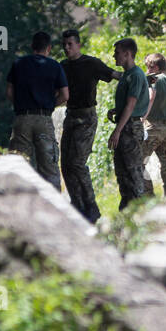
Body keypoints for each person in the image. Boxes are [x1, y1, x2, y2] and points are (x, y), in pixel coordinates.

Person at [60, 29, 120, 223]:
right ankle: (77, 206)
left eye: (70, 44)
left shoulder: (91, 63)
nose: (67, 48)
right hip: (71, 116)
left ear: (78, 44)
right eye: (64, 45)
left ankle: (91, 208)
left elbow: (114, 74)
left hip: (86, 117)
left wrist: (138, 78)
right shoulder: (62, 66)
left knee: (77, 163)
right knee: (66, 165)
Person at [6, 31, 69, 188]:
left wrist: (21, 104)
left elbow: (8, 91)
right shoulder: (55, 66)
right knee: (49, 167)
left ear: (32, 46)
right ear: (48, 48)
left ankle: (18, 203)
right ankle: (53, 205)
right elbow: (65, 95)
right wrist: (49, 105)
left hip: (22, 118)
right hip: (44, 119)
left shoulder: (18, 64)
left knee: (19, 164)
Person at [108, 37, 150, 211]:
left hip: (130, 129)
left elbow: (132, 105)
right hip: (126, 125)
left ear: (127, 54)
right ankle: (126, 214)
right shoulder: (127, 75)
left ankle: (141, 215)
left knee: (134, 174)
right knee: (123, 175)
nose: (114, 56)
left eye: (117, 53)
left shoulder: (136, 75)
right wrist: (116, 110)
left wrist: (117, 131)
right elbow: (128, 104)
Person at [139, 53, 166, 199]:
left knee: (137, 163)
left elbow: (151, 96)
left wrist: (142, 117)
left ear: (155, 67)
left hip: (153, 128)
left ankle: (150, 199)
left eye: (148, 67)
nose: (146, 71)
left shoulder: (154, 79)